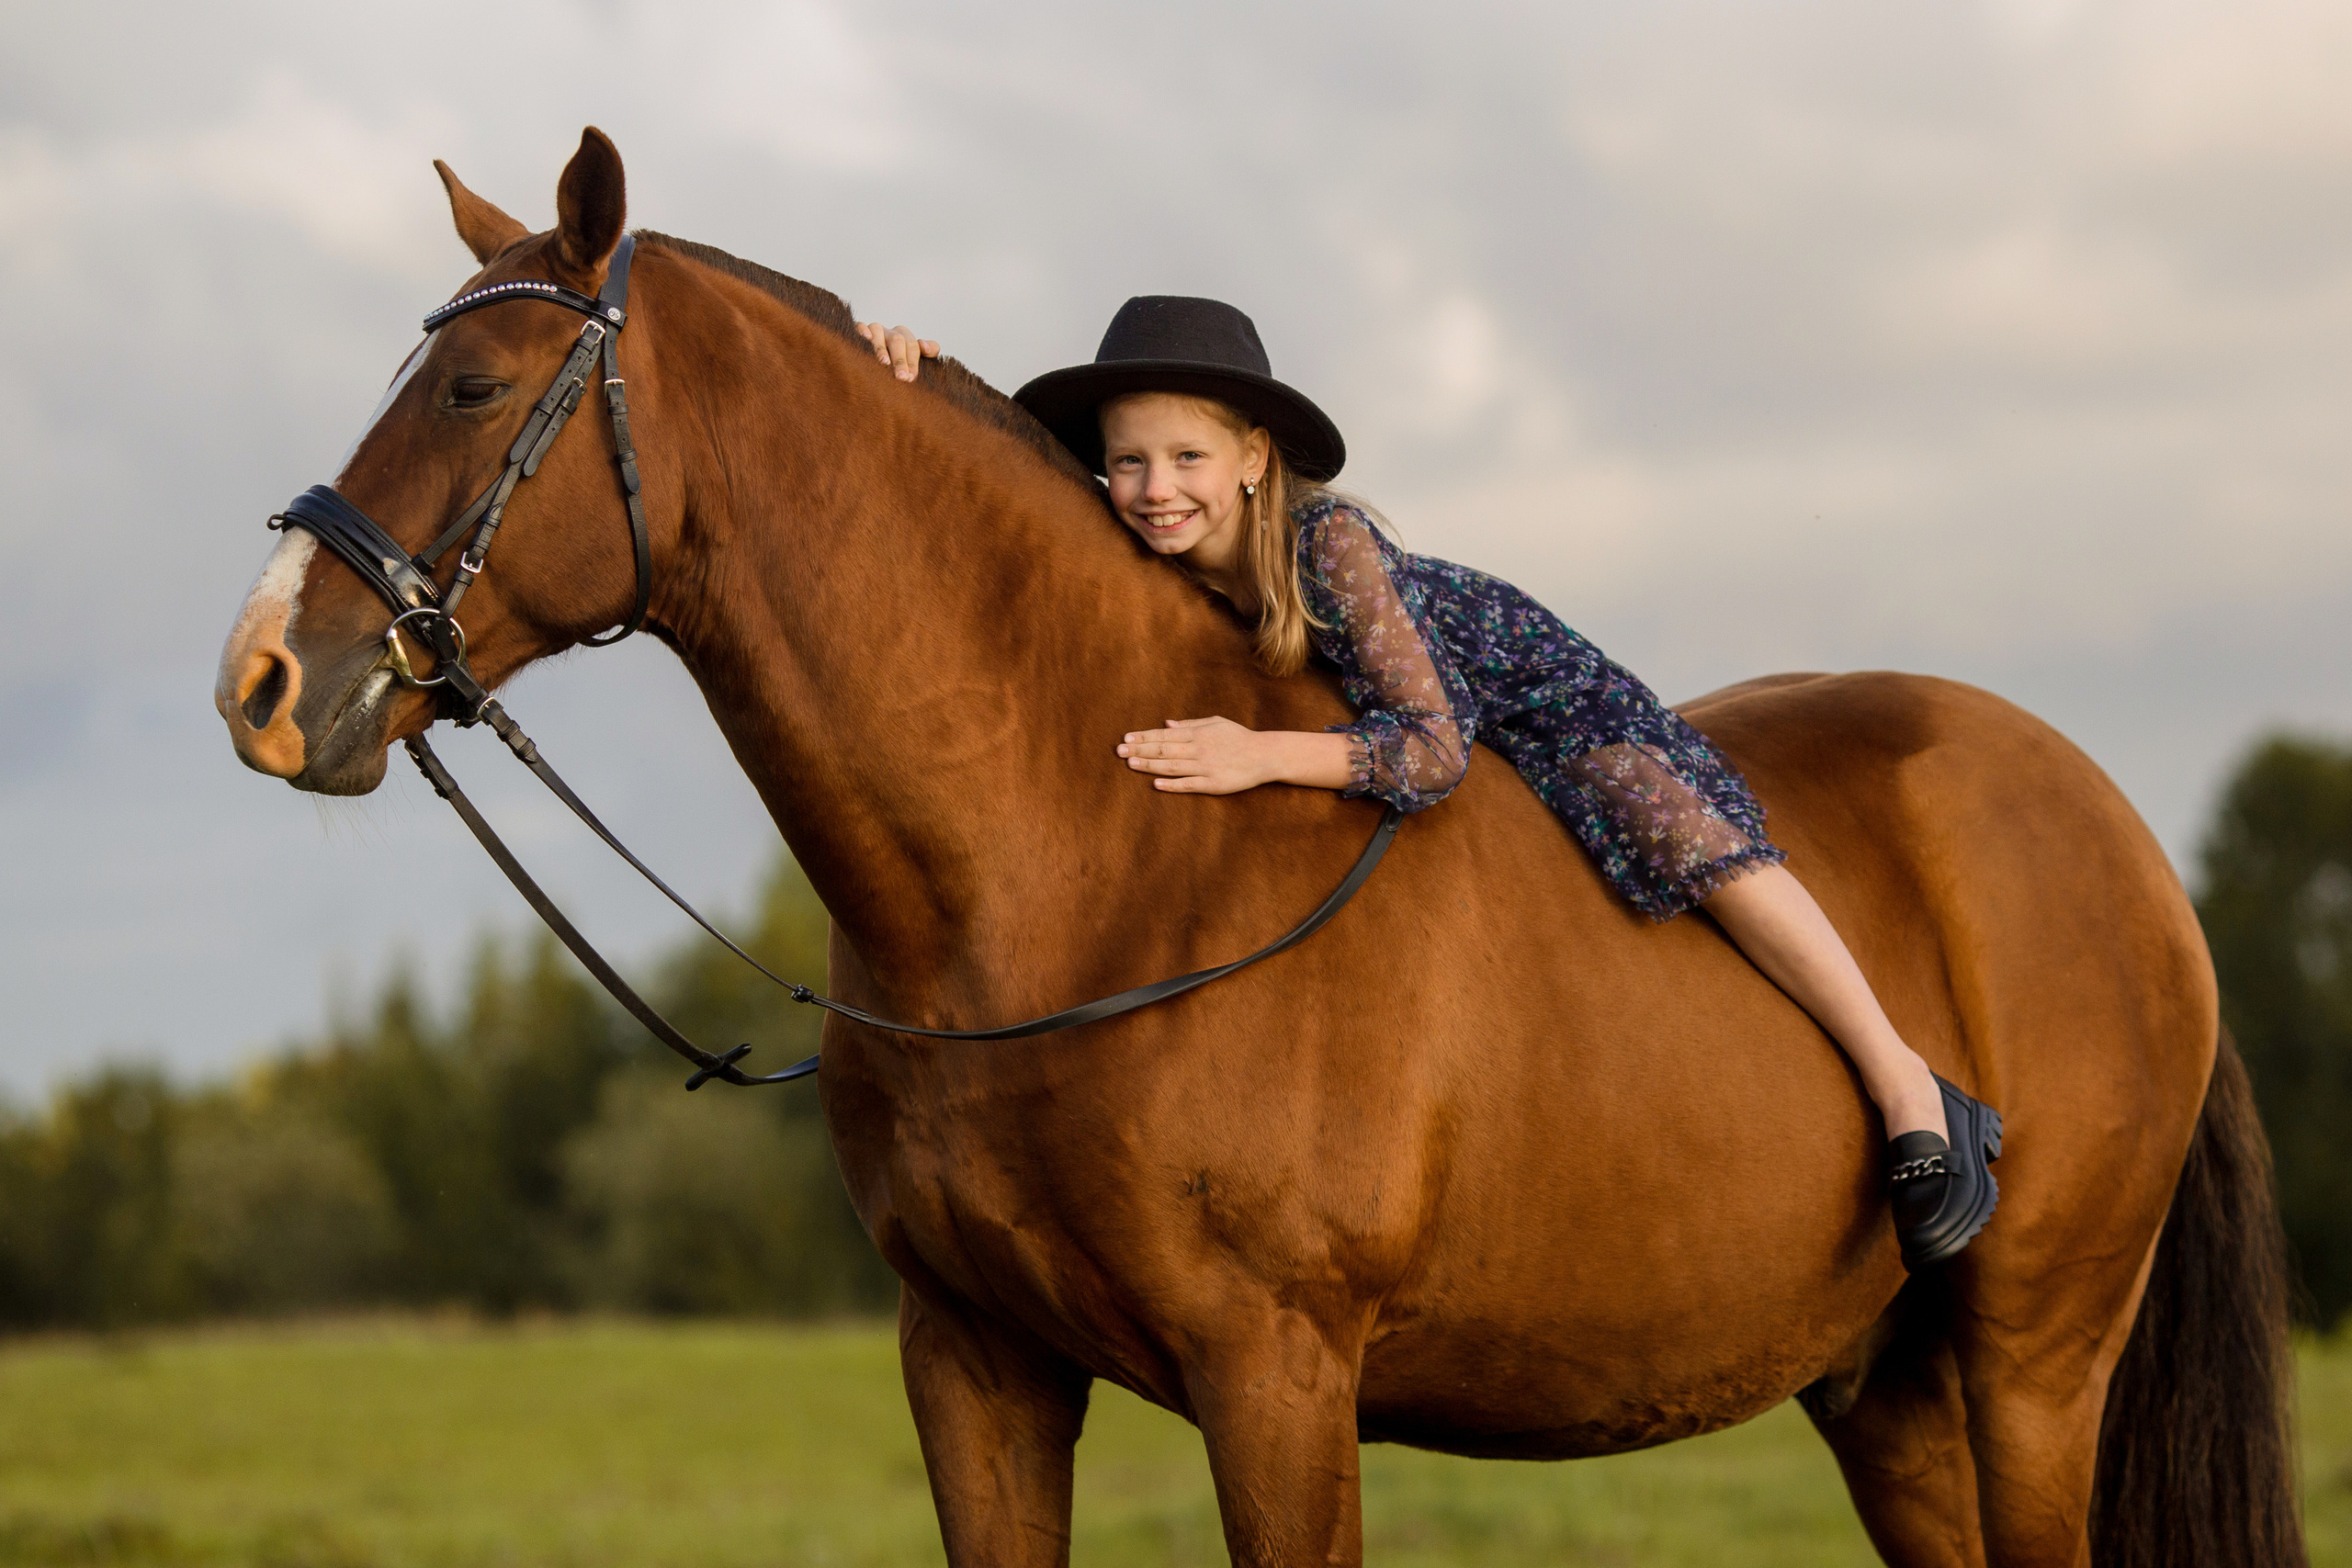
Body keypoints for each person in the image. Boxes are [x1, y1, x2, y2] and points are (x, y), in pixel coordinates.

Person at [855, 297, 1999, 1270]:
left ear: (1255, 458)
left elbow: (1433, 748)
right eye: (1128, 461)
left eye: (1188, 459)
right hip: (1408, 715)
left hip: (1527, 700)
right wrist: (903, 368)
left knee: (1681, 839)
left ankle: (1906, 1085)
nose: (1156, 489)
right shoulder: (1133, 530)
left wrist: (1261, 755)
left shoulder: (1328, 545)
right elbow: (994, 480)